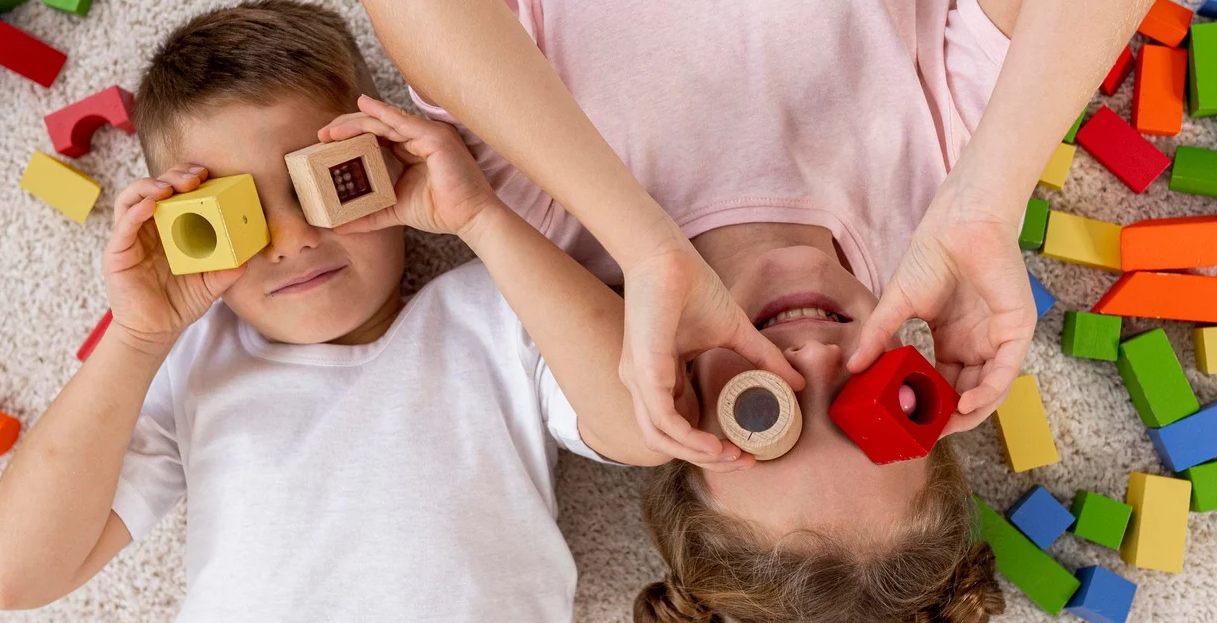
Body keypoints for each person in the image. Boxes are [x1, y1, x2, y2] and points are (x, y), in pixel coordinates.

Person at [346, 0, 1154, 619]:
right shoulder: (944, 183)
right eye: (869, 405)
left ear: (680, 407)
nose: (812, 362)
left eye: (761, 413)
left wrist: (645, 243)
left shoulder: (553, 200)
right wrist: (989, 201)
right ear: (927, 383)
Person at [0, 2, 669, 620]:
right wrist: (137, 336)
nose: (294, 239)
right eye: (234, 216)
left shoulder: (492, 310)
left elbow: (645, 425)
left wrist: (478, 215)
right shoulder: (194, 357)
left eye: (325, 185)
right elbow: (14, 577)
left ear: (391, 165)